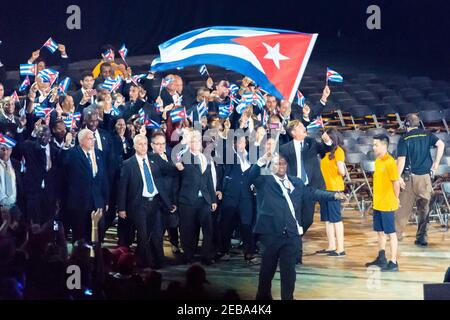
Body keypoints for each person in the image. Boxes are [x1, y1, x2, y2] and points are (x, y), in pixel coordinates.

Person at [250, 153, 346, 300]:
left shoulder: (296, 182)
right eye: (277, 164)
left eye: (283, 164)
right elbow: (251, 177)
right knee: (267, 270)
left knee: (289, 272)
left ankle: (288, 297)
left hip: (291, 234)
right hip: (270, 234)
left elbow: (313, 192)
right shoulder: (265, 181)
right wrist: (261, 161)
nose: (281, 166)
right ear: (271, 166)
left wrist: (333, 196)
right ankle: (262, 296)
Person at [118, 134, 176, 268]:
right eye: (140, 144)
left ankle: (157, 261)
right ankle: (147, 264)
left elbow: (170, 171)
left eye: (145, 144)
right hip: (139, 204)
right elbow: (122, 188)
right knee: (143, 235)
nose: (143, 147)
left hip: (155, 203)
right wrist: (121, 208)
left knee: (156, 234)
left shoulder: (154, 159)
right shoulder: (128, 164)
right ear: (134, 146)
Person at [395, 113, 445, 246]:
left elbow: (401, 160)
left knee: (403, 209)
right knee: (424, 209)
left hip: (409, 178)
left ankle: (396, 236)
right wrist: (436, 163)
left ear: (406, 124)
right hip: (425, 178)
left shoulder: (404, 138)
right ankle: (422, 238)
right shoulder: (427, 134)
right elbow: (441, 144)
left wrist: (397, 176)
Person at [174, 130, 218, 265]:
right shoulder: (183, 157)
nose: (196, 143)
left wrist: (213, 199)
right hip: (187, 200)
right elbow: (177, 179)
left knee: (208, 228)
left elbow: (209, 180)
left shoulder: (206, 158)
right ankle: (188, 255)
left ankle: (206, 256)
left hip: (204, 200)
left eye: (198, 141)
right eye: (193, 141)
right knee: (188, 230)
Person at [63, 129, 109, 242]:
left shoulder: (99, 154)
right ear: (81, 141)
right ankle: (80, 258)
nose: (93, 140)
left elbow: (103, 179)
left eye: (93, 138)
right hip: (79, 202)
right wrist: (67, 145)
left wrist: (106, 200)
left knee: (98, 233)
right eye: (89, 138)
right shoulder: (73, 153)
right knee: (80, 236)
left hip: (97, 201)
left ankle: (96, 257)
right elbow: (62, 163)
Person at [366, 134, 400, 272]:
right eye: (373, 145)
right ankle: (381, 257)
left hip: (387, 203)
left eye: (376, 145)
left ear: (384, 146)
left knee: (391, 233)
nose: (374, 147)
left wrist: (396, 198)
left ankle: (393, 262)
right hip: (378, 203)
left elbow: (396, 182)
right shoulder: (378, 161)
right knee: (380, 232)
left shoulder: (390, 162)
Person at [220, 135, 256, 263]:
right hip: (230, 195)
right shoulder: (229, 155)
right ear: (234, 144)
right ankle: (224, 250)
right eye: (239, 142)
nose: (242, 145)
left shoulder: (251, 157)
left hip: (246, 196)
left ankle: (249, 252)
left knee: (247, 224)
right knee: (227, 224)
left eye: (243, 142)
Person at [317, 128, 347, 257]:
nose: (326, 139)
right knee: (328, 219)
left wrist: (336, 168)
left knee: (336, 219)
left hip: (335, 188)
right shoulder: (327, 152)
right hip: (325, 189)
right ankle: (331, 245)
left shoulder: (339, 151)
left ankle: (340, 248)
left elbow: (342, 171)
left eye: (328, 137)